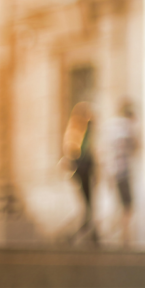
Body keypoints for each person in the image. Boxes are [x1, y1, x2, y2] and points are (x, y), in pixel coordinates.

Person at [62, 101, 98, 243]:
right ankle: (86, 232)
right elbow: (72, 151)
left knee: (88, 203)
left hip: (86, 170)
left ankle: (91, 232)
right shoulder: (75, 131)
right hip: (81, 169)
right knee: (86, 203)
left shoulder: (86, 131)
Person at [106, 99, 138, 245]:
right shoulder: (126, 127)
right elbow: (135, 146)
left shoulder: (112, 126)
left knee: (119, 205)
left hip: (112, 170)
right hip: (123, 171)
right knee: (127, 206)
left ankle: (119, 235)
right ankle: (124, 237)